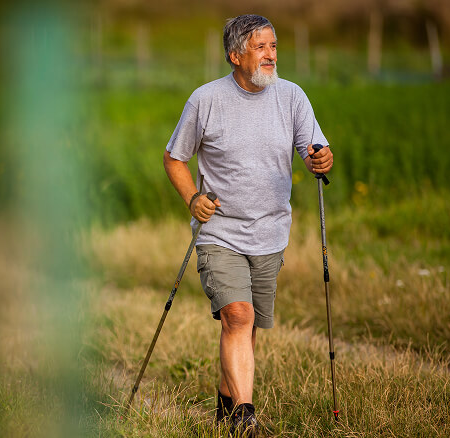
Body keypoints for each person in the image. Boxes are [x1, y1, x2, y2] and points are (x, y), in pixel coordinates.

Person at [163, 14, 334, 436]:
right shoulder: (205, 100)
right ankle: (245, 419)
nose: (272, 55)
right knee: (237, 316)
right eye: (261, 47)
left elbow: (316, 148)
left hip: (270, 232)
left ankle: (226, 405)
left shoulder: (291, 97)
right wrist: (193, 198)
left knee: (247, 325)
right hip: (220, 231)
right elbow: (174, 157)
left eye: (274, 46)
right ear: (235, 55)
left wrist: (320, 159)